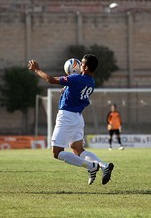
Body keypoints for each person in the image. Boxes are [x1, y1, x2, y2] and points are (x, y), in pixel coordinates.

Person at [28, 54, 114, 185]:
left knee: (57, 152)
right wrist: (67, 88)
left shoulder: (76, 79)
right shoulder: (91, 82)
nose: (80, 65)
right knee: (77, 149)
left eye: (82, 63)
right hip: (77, 117)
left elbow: (50, 80)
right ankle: (104, 165)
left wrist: (36, 69)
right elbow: (75, 90)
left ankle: (92, 167)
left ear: (85, 67)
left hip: (67, 117)